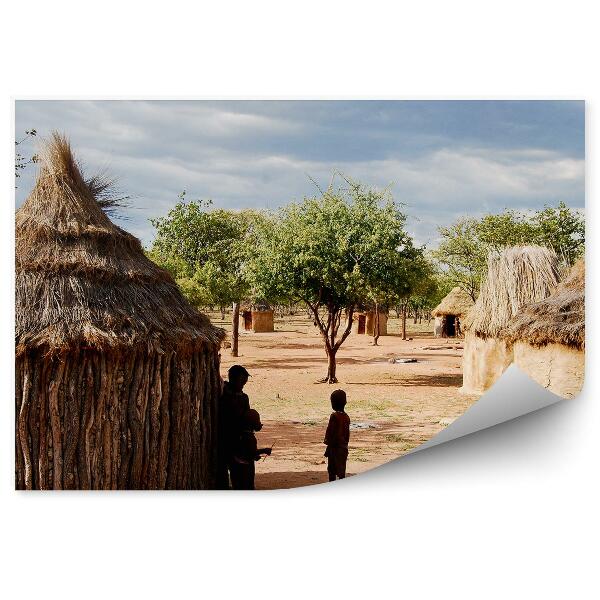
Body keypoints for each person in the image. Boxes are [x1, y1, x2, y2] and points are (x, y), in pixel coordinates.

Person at [216, 365, 252, 489]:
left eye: (244, 383)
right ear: (232, 379)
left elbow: (246, 417)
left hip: (238, 440)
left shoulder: (243, 398)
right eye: (241, 381)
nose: (243, 385)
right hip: (225, 439)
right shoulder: (223, 393)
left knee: (239, 474)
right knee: (226, 472)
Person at [229, 409, 272, 490]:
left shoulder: (240, 435)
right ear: (251, 423)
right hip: (245, 470)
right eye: (257, 421)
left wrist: (255, 455)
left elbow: (245, 453)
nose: (259, 423)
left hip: (237, 468)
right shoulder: (249, 437)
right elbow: (251, 453)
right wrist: (264, 450)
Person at [324, 389, 351, 482]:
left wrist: (328, 445)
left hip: (334, 448)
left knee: (332, 470)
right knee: (341, 469)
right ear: (345, 402)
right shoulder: (346, 417)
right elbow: (347, 434)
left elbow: (331, 432)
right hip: (343, 448)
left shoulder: (334, 416)